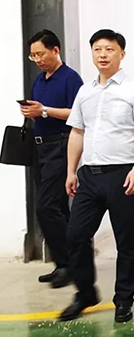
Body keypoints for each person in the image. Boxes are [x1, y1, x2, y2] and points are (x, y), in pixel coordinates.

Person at [60, 29, 134, 323]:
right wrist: (71, 171)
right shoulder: (85, 92)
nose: (103, 55)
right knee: (75, 236)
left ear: (121, 54)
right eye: (98, 49)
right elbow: (77, 132)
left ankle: (124, 299)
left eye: (109, 49)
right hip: (89, 175)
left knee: (125, 239)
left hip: (122, 174)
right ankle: (85, 293)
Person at [20, 30, 83, 289]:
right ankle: (68, 263)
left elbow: (77, 113)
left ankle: (68, 264)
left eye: (40, 54)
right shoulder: (39, 79)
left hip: (60, 146)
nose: (37, 60)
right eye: (33, 56)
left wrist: (44, 111)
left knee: (46, 208)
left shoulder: (70, 78)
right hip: (39, 149)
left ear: (55, 50)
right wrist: (31, 112)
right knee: (57, 208)